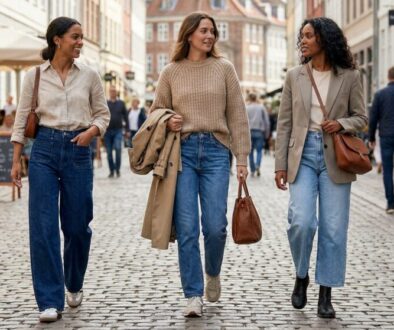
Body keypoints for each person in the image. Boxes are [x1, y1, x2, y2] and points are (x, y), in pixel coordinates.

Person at [150, 11, 250, 317]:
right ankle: (192, 294)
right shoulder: (171, 71)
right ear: (189, 33)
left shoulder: (224, 68)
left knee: (215, 226)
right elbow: (154, 113)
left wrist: (242, 158)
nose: (209, 36)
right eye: (203, 30)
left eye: (212, 31)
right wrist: (169, 120)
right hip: (183, 154)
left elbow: (237, 115)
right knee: (189, 228)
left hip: (218, 152)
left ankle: (213, 272)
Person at [10, 16, 110, 323]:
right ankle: (49, 300)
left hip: (78, 151)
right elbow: (22, 118)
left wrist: (92, 132)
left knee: (78, 227)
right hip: (43, 151)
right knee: (43, 227)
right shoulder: (35, 76)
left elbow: (103, 115)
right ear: (57, 40)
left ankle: (74, 282)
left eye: (81, 37)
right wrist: (16, 159)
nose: (80, 42)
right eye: (75, 37)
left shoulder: (90, 75)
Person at [275, 17, 368, 319]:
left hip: (335, 157)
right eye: (301, 36)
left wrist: (340, 123)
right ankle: (301, 274)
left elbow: (361, 118)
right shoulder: (294, 76)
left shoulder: (350, 76)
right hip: (301, 155)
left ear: (324, 39)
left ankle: (325, 292)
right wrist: (279, 165)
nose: (303, 41)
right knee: (301, 222)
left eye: (308, 36)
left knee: (334, 228)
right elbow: (285, 123)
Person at [369, 67, 394, 214]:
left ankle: (391, 203)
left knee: (387, 169)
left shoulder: (380, 95)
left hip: (386, 136)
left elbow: (373, 118)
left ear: (388, 77)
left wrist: (371, 137)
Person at [105, 85, 129, 177]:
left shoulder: (121, 103)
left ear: (116, 92)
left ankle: (117, 170)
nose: (112, 93)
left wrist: (127, 129)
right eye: (111, 91)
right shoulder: (106, 103)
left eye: (114, 91)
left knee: (118, 149)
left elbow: (126, 117)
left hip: (118, 130)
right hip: (107, 131)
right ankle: (112, 171)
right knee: (109, 153)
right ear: (109, 93)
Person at [246, 92, 270, 177]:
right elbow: (266, 121)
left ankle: (252, 169)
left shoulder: (246, 107)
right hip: (259, 131)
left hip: (248, 132)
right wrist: (267, 134)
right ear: (256, 98)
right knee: (259, 151)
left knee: (250, 151)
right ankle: (257, 166)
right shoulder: (261, 107)